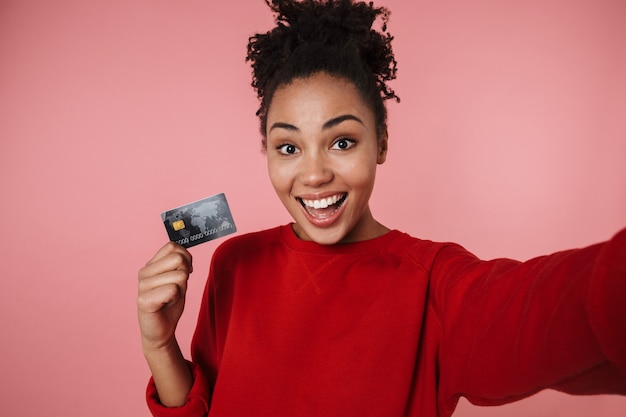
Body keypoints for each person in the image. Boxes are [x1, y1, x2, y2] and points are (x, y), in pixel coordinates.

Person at [136, 1, 626, 416]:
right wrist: (159, 343)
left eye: (341, 141)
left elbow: (544, 310)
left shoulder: (435, 280)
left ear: (381, 142)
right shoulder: (233, 265)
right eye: (288, 148)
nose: (312, 175)